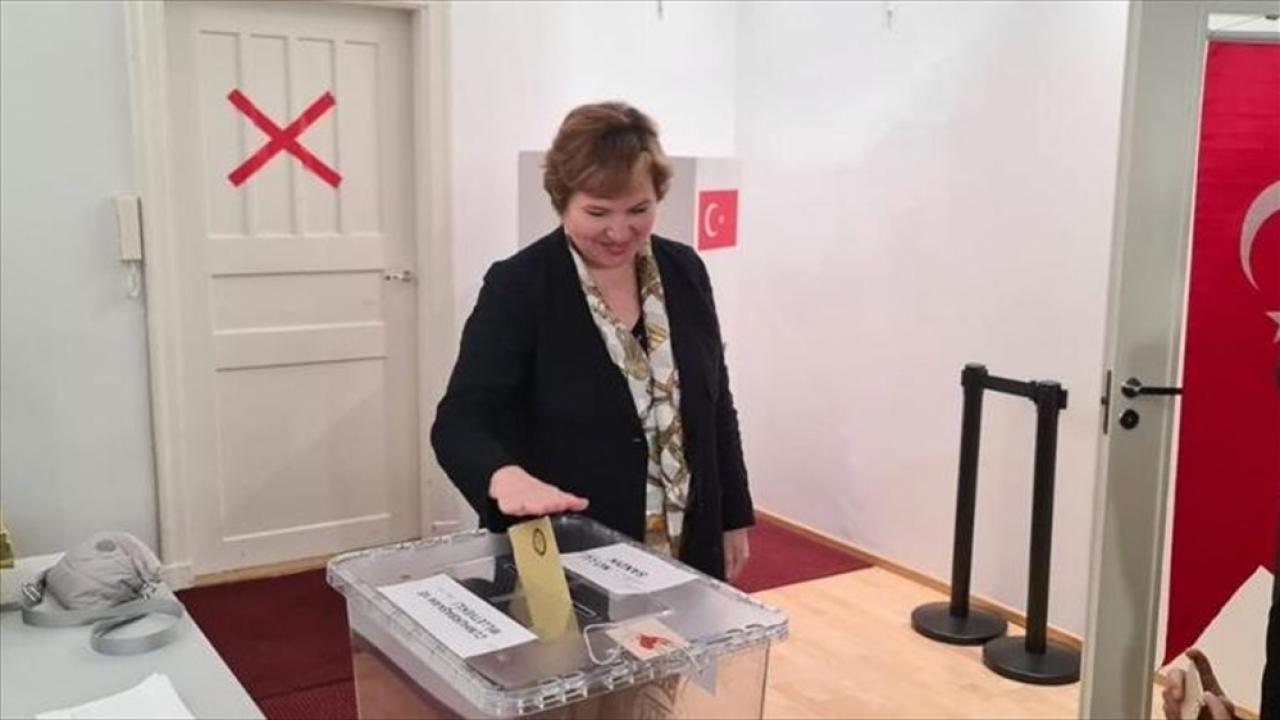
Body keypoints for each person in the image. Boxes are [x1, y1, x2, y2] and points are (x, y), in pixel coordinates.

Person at [431, 101, 753, 581]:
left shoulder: (685, 270)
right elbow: (459, 421)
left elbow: (716, 403)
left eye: (639, 210)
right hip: (569, 551)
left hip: (687, 543)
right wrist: (503, 476)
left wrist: (732, 515)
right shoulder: (520, 286)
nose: (619, 232)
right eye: (597, 212)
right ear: (562, 200)